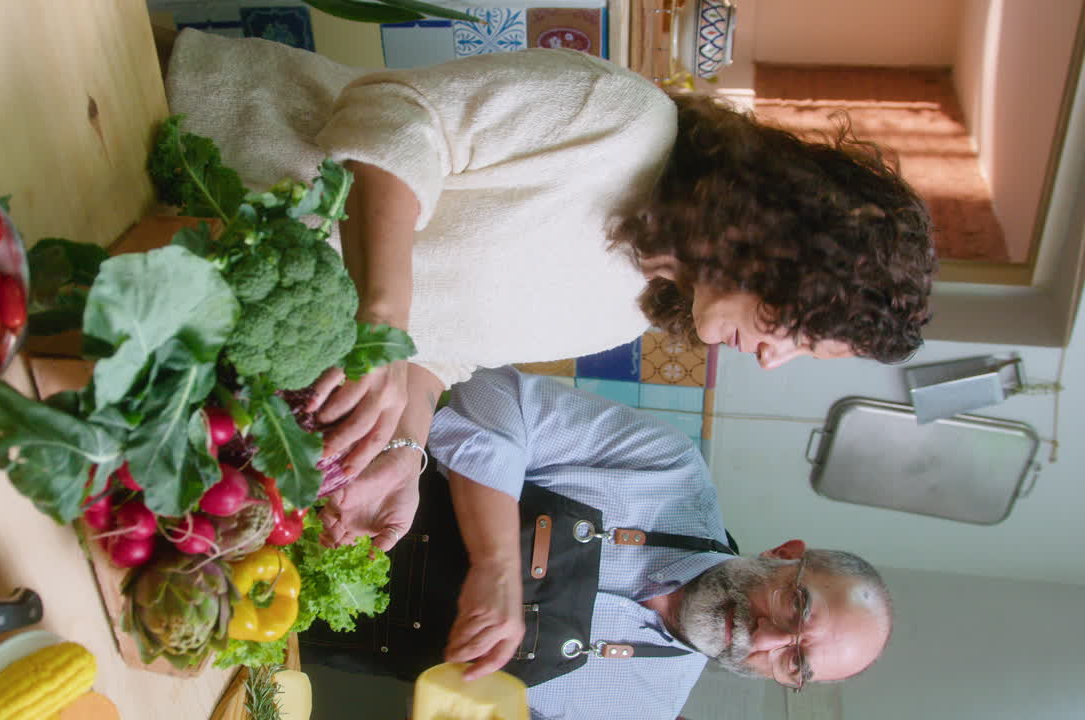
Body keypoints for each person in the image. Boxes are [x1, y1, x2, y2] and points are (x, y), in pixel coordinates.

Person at [163, 33, 936, 548]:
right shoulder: (624, 121)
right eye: (799, 333)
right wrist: (382, 322)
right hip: (168, 137)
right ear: (785, 248)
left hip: (182, 298)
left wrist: (403, 450)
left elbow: (444, 350)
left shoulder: (626, 313)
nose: (773, 361)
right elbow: (396, 121)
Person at [303, 366, 892, 719]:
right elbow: (492, 394)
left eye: (795, 659)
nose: (765, 635)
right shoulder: (668, 470)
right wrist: (496, 563)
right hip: (321, 481)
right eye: (796, 607)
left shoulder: (641, 711)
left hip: (287, 631)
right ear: (786, 554)